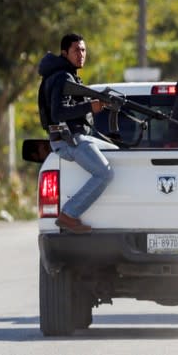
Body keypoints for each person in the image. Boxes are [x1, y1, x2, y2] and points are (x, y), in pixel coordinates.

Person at [37, 33, 116, 234]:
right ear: (64, 53)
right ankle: (69, 215)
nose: (81, 54)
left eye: (83, 50)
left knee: (117, 150)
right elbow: (58, 112)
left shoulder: (63, 74)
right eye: (76, 50)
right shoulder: (63, 77)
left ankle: (70, 214)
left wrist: (92, 105)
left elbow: (67, 107)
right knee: (105, 173)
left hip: (71, 138)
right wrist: (90, 106)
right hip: (68, 139)